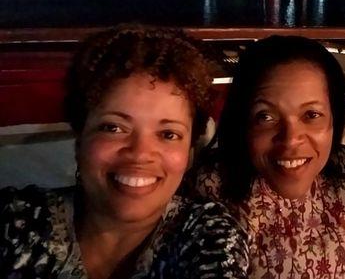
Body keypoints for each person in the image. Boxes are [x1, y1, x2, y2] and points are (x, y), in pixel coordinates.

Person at [0, 25, 249, 279]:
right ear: (80, 138)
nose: (140, 154)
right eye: (114, 127)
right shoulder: (15, 221)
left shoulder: (208, 237)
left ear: (189, 154)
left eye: (168, 134)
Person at [182, 35, 345, 278]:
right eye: (266, 116)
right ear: (243, 121)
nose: (290, 139)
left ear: (334, 118)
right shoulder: (209, 189)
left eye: (311, 115)